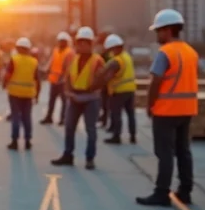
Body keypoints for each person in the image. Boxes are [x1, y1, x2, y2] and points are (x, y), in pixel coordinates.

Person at [137, 9, 199, 207]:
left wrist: (150, 104)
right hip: (187, 109)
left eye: (159, 31)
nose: (157, 35)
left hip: (166, 110)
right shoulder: (191, 52)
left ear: (168, 30)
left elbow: (156, 81)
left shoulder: (165, 53)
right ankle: (185, 191)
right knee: (183, 151)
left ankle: (162, 192)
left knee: (164, 153)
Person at [51, 27, 104, 170]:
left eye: (83, 43)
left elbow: (102, 79)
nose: (79, 46)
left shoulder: (97, 60)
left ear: (90, 44)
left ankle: (89, 158)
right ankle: (68, 155)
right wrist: (68, 92)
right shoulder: (73, 59)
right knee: (69, 127)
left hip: (91, 99)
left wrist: (91, 92)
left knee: (90, 129)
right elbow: (68, 76)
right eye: (78, 43)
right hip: (74, 98)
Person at [96, 34, 137, 145]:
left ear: (115, 47)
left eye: (111, 49)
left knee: (116, 114)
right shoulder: (127, 56)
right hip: (131, 90)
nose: (110, 52)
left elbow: (107, 74)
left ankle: (116, 136)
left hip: (119, 91)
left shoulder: (116, 61)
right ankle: (133, 136)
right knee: (131, 114)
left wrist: (98, 81)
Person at [4, 37, 41, 150]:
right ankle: (27, 141)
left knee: (16, 117)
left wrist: (4, 84)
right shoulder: (34, 62)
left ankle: (14, 141)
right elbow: (37, 79)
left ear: (18, 48)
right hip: (28, 94)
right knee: (27, 117)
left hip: (14, 93)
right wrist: (37, 94)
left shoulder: (14, 59)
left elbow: (8, 74)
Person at [41, 32, 73, 125]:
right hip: (54, 79)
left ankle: (63, 118)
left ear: (66, 42)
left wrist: (65, 78)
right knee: (52, 100)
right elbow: (51, 62)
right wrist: (45, 70)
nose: (61, 43)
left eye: (63, 41)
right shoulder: (55, 50)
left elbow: (69, 67)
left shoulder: (69, 52)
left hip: (63, 81)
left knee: (64, 101)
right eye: (60, 41)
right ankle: (49, 117)